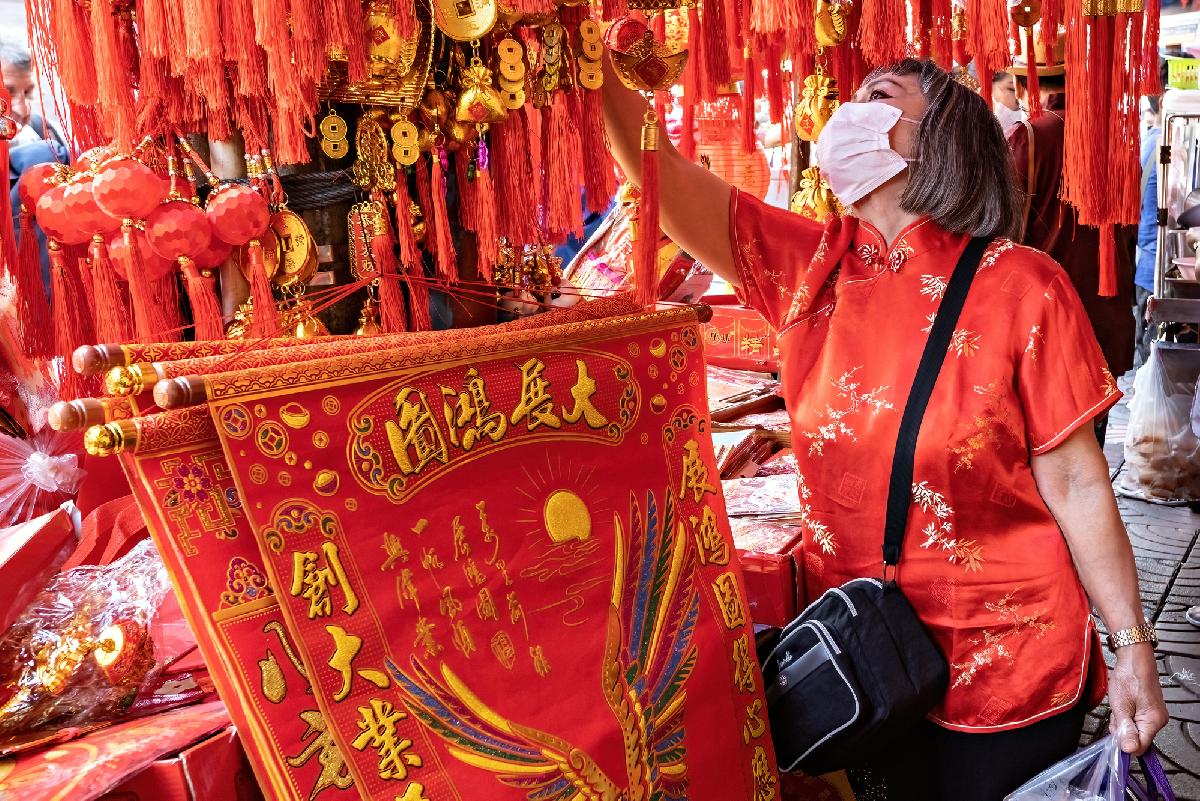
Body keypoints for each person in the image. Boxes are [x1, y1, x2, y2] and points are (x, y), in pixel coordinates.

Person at [603, 56, 1167, 800]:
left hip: (1008, 654)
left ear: (939, 141)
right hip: (864, 657)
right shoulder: (811, 266)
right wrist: (592, 68)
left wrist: (1132, 647)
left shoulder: (1024, 284)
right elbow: (662, 174)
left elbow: (1076, 480)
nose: (848, 114)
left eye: (879, 97)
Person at [1008, 44, 1135, 446]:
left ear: (1027, 82)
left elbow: (1005, 226)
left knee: (1043, 438)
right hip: (1104, 307)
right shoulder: (1116, 138)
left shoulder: (1030, 135)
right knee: (1089, 434)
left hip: (1046, 310)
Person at [1135, 96, 1160, 368]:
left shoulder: (1150, 143)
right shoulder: (1156, 143)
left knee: (1148, 356)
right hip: (1153, 257)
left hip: (1148, 258)